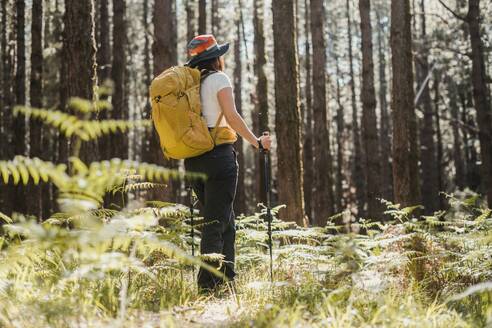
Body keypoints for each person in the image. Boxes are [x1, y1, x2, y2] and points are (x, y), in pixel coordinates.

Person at [184, 34, 272, 292]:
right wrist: (256, 142)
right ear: (215, 58)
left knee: (225, 221)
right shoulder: (219, 79)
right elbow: (232, 117)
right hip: (219, 158)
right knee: (215, 223)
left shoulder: (189, 86)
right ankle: (207, 287)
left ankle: (227, 279)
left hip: (193, 160)